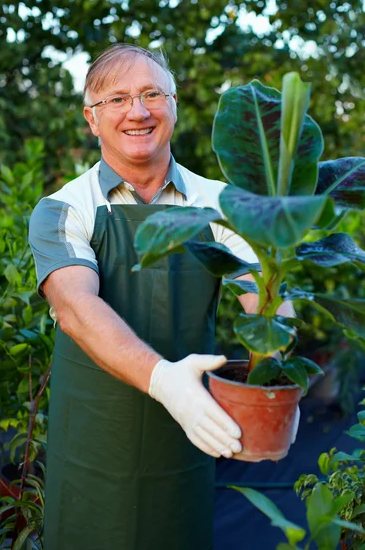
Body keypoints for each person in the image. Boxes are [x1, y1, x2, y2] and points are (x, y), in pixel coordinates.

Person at [29, 44, 295, 550]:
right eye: (118, 99)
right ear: (91, 118)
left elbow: (265, 298)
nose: (138, 111)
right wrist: (164, 380)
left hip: (189, 434)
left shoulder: (221, 205)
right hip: (92, 441)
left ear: (172, 106)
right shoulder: (64, 209)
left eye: (153, 94)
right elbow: (76, 310)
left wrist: (277, 377)